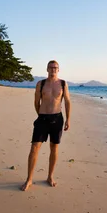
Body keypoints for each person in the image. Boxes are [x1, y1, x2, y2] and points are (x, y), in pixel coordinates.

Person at [21, 60, 71, 191]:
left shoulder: (63, 84)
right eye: (51, 67)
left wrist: (68, 120)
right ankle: (29, 179)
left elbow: (67, 102)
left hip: (57, 118)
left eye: (55, 67)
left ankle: (50, 176)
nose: (53, 69)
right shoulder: (41, 84)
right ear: (47, 69)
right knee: (34, 148)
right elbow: (36, 101)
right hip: (42, 119)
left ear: (58, 69)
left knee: (54, 147)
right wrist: (41, 114)